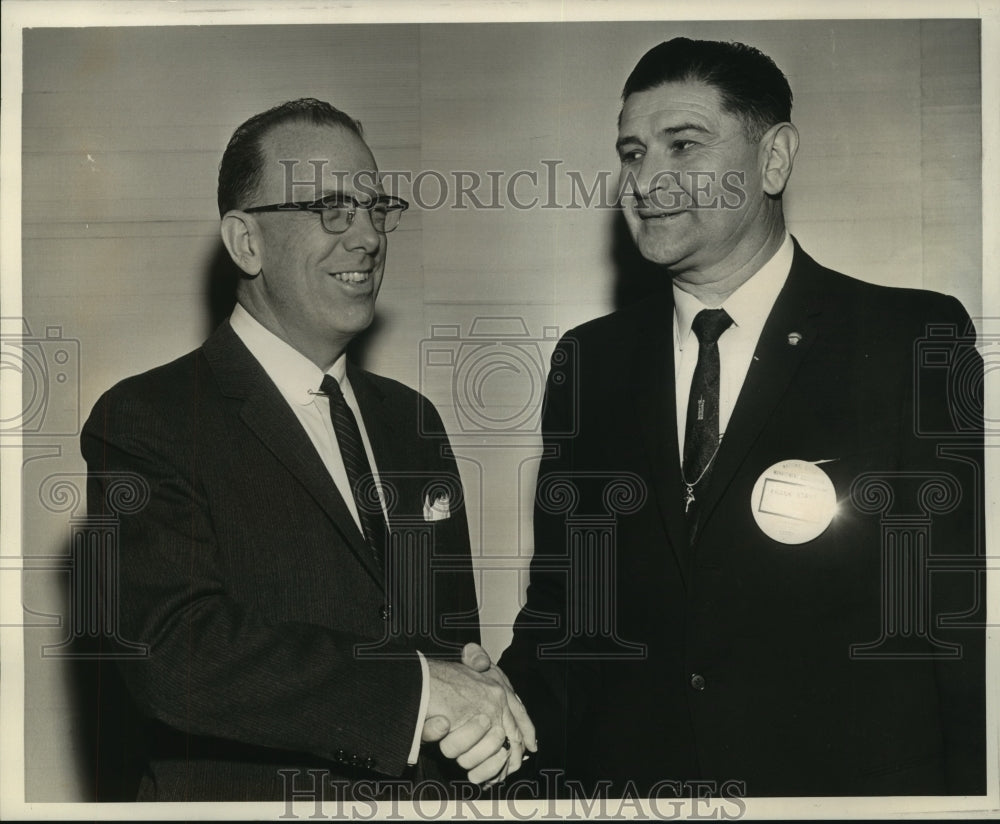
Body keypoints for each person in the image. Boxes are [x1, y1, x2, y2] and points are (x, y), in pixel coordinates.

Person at [492, 38, 985, 797]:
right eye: (631, 153)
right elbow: (568, 613)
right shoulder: (589, 360)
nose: (646, 181)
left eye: (682, 145)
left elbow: (951, 621)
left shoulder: (908, 339)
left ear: (775, 158)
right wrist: (488, 713)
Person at [81, 98, 534, 801]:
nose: (368, 238)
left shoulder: (413, 423)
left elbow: (447, 650)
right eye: (330, 208)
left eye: (374, 206)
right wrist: (416, 691)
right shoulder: (148, 420)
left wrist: (479, 695)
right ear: (246, 242)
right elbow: (172, 654)